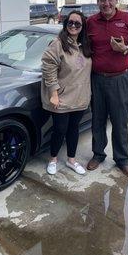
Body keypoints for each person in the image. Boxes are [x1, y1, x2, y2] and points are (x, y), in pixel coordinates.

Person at [87, 0, 128, 178]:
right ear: (98, 2)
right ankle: (98, 154)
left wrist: (126, 49)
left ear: (116, 0)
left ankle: (123, 160)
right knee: (98, 120)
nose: (106, 3)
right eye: (102, 0)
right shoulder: (91, 22)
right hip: (96, 79)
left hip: (120, 79)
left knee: (120, 121)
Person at [41, 10, 92, 175]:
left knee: (74, 129)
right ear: (65, 24)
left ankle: (71, 160)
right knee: (59, 129)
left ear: (82, 27)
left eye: (78, 23)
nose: (73, 26)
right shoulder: (57, 44)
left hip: (80, 97)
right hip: (62, 98)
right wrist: (54, 94)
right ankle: (53, 159)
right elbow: (48, 69)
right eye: (70, 22)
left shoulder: (86, 45)